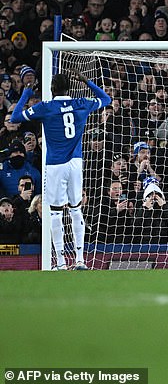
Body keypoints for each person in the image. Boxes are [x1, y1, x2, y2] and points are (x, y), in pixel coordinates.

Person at [10, 69, 112, 270]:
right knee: (76, 209)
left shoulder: (46, 107)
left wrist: (26, 93)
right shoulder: (81, 103)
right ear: (70, 88)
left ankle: (61, 262)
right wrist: (88, 82)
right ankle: (81, 260)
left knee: (56, 213)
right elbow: (106, 99)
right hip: (75, 163)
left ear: (52, 89)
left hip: (55, 164)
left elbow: (14, 117)